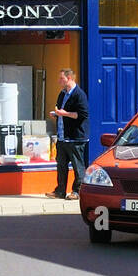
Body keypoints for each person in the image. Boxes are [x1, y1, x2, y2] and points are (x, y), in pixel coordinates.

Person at [47, 69, 89, 200]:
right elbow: (60, 111)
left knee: (78, 166)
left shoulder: (79, 94)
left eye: (61, 79)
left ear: (69, 78)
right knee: (61, 165)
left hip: (75, 138)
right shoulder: (62, 94)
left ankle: (77, 191)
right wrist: (56, 114)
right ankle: (60, 191)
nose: (59, 81)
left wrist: (64, 114)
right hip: (62, 136)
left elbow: (82, 115)